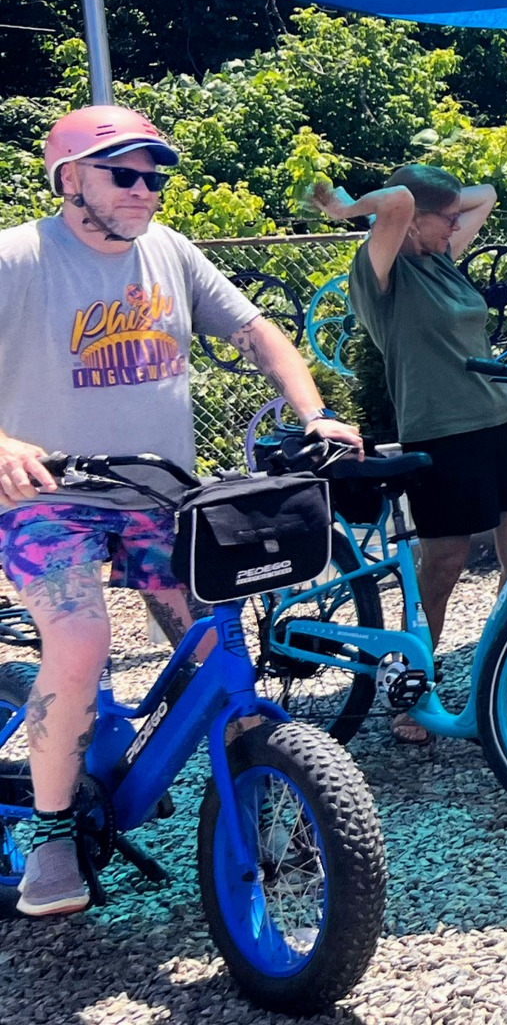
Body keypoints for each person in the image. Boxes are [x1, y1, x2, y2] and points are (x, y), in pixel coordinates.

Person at [0, 105, 361, 917]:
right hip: (47, 499)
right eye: (122, 173)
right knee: (82, 635)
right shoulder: (18, 257)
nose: (143, 190)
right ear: (68, 179)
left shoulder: (170, 251)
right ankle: (52, 834)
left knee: (215, 635)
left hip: (155, 493)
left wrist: (313, 413)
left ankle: (250, 778)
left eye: (154, 176)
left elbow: (257, 333)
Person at [313, 165, 507, 740]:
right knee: (442, 568)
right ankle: (411, 690)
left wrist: (438, 207)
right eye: (444, 220)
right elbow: (397, 199)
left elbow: (488, 192)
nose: (456, 228)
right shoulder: (380, 275)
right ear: (413, 223)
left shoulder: (438, 255)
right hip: (442, 435)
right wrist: (348, 210)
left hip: (506, 422)